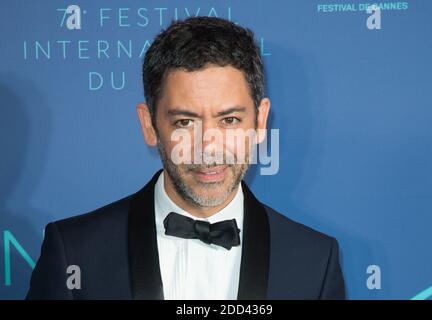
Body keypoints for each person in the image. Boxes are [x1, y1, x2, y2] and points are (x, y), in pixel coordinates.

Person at [26, 16, 345, 300]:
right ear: (149, 125)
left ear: (260, 121)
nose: (208, 146)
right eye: (185, 122)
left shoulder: (315, 261)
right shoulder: (75, 252)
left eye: (229, 120)